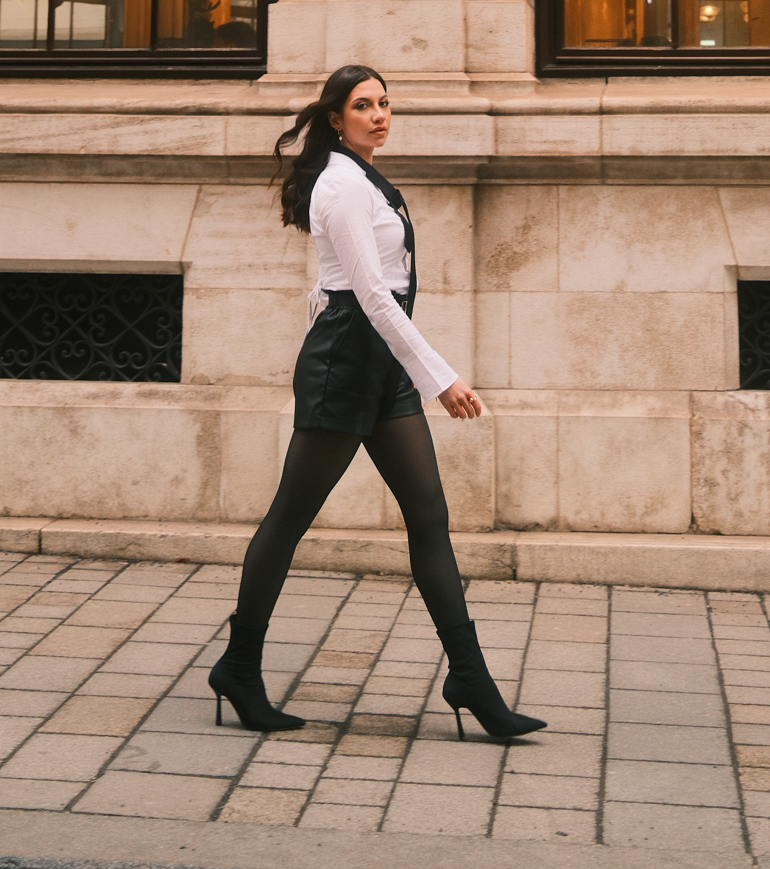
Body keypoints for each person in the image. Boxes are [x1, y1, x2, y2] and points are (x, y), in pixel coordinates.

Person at [208, 63, 546, 744]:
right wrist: (440, 377)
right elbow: (366, 295)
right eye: (363, 105)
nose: (379, 114)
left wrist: (410, 370)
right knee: (289, 518)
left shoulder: (362, 178)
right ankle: (239, 667)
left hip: (380, 366)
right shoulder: (339, 185)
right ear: (335, 118)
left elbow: (347, 287)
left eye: (385, 102)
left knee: (428, 516)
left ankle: (470, 681)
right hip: (345, 367)